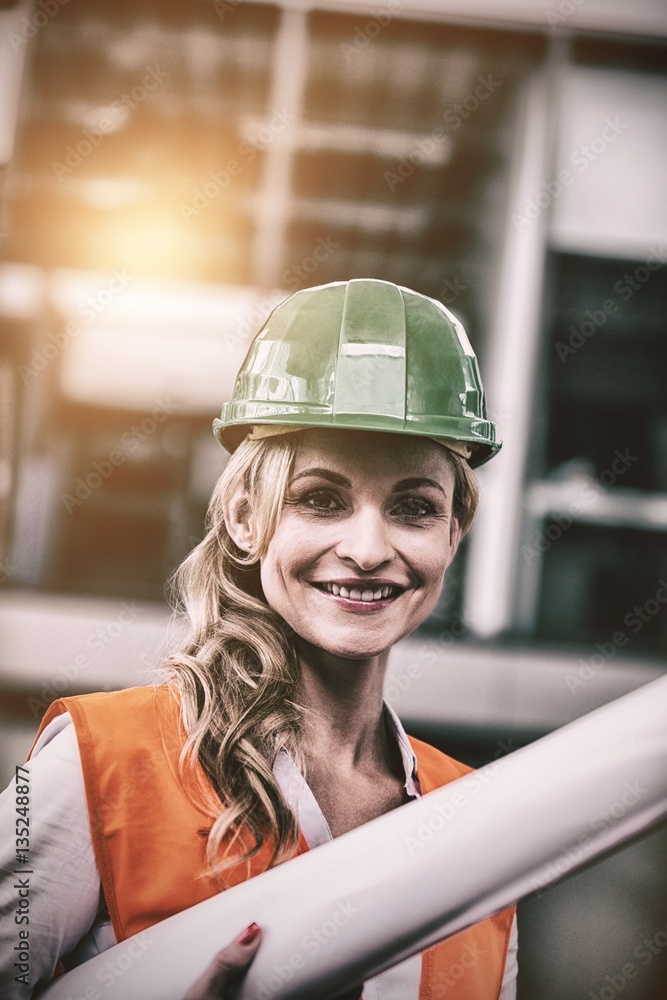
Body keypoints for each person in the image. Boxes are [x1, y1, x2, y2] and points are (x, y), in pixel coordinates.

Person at [0, 278, 517, 999]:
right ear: (245, 519)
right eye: (320, 499)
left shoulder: (484, 826)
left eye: (413, 508)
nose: (367, 549)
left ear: (452, 534)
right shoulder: (99, 764)